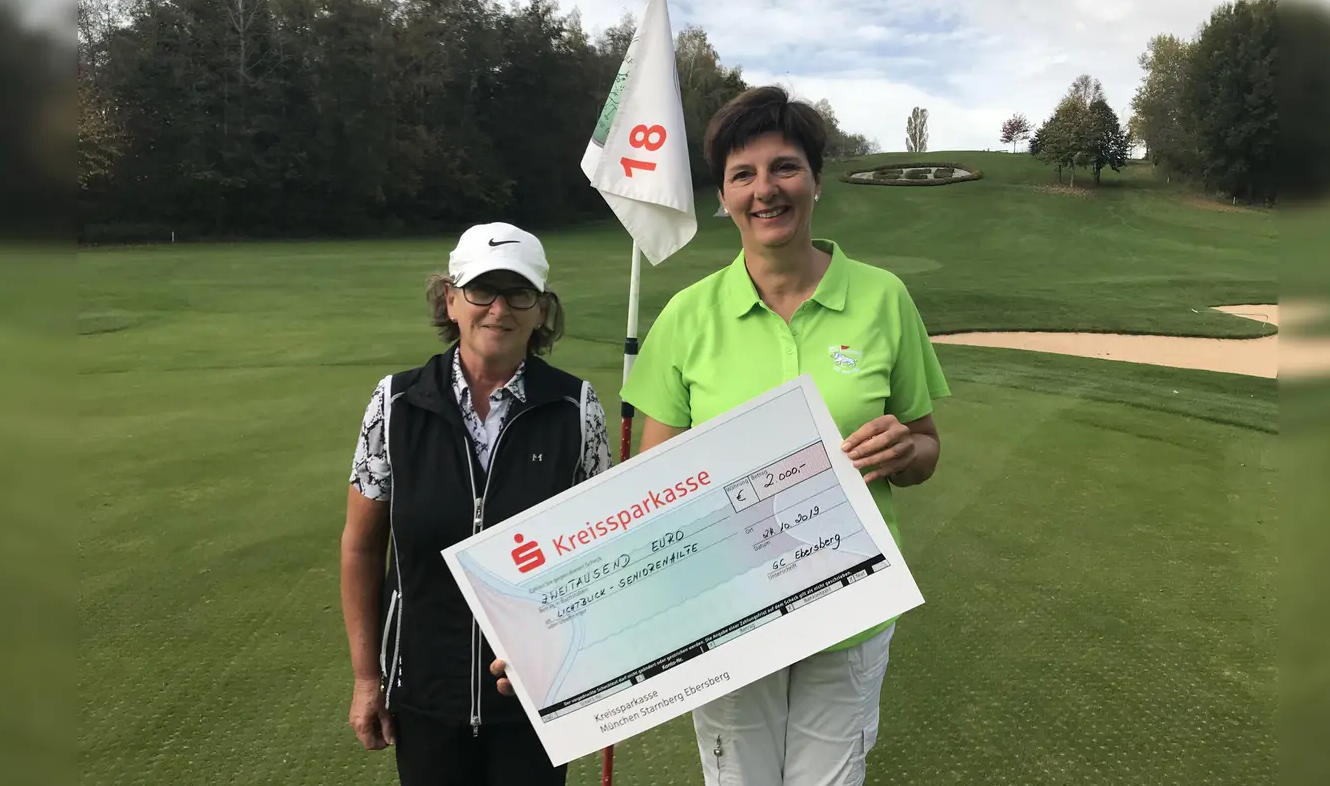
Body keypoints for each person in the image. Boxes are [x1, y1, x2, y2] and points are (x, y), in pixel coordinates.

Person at [610, 85, 950, 784]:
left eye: (785, 167)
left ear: (816, 181)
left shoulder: (883, 298)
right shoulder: (688, 316)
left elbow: (926, 449)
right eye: (743, 174)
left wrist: (904, 450)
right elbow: (657, 491)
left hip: (849, 604)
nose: (765, 189)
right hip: (729, 611)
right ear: (724, 197)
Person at [339, 222, 612, 786]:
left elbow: (601, 553)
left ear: (542, 310)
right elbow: (362, 547)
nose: (499, 309)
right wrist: (368, 679)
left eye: (519, 293)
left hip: (535, 694)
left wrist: (589, 666)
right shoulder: (395, 403)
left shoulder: (576, 408)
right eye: (482, 290)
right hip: (424, 695)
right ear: (451, 300)